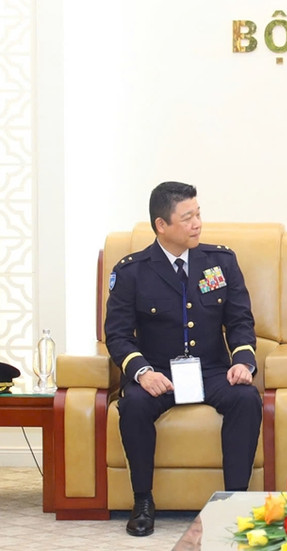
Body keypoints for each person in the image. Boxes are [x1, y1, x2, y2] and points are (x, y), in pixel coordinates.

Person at [105, 181, 262, 537]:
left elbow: (239, 320)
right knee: (134, 407)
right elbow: (116, 334)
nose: (197, 224)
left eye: (198, 214)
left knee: (246, 398)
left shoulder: (220, 262)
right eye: (187, 217)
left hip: (210, 369)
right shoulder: (132, 271)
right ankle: (143, 500)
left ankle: (234, 502)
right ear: (162, 225)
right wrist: (142, 373)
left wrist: (243, 362)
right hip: (159, 372)